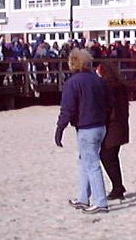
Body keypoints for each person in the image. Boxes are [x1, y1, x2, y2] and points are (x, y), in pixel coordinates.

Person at [54, 49, 111, 214]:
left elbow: (67, 109)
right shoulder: (99, 81)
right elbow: (109, 103)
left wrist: (60, 129)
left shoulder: (73, 83)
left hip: (87, 128)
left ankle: (100, 202)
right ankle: (83, 198)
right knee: (85, 161)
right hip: (100, 126)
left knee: (92, 164)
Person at [96, 62, 129, 200]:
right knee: (112, 157)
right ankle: (118, 186)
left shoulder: (108, 87)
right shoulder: (119, 85)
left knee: (107, 156)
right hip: (121, 124)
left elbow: (108, 107)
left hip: (113, 125)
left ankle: (117, 187)